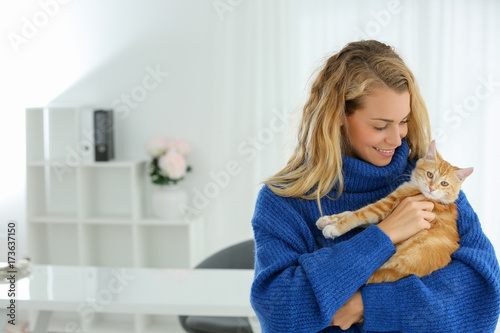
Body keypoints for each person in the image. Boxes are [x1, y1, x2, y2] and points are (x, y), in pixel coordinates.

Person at [249, 40, 500, 332]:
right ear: (338, 118)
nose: (396, 140)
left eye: (403, 122)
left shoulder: (431, 185)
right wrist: (384, 234)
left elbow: (481, 297)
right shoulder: (284, 201)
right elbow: (281, 314)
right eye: (380, 126)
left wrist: (365, 305)